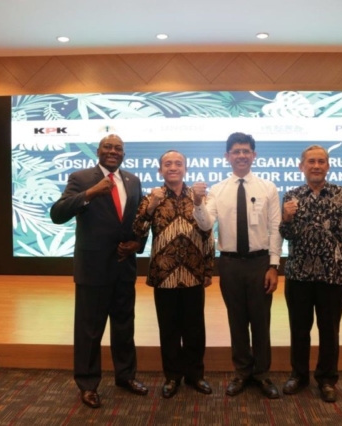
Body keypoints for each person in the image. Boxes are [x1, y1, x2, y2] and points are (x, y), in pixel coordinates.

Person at [50, 134, 148, 409]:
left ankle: (126, 376)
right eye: (108, 147)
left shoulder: (133, 181)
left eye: (118, 148)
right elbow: (57, 214)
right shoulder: (81, 179)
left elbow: (139, 220)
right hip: (93, 269)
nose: (113, 151)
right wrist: (91, 193)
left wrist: (138, 243)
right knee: (90, 331)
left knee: (124, 327)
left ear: (124, 154)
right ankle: (88, 384)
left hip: (124, 267)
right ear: (98, 151)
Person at [193, 132, 283, 399]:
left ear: (254, 155)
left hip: (260, 263)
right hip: (230, 264)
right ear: (227, 156)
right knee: (237, 320)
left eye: (246, 151)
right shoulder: (217, 190)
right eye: (236, 151)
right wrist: (197, 203)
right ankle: (242, 372)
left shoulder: (268, 188)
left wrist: (274, 266)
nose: (241, 155)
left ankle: (262, 374)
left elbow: (275, 228)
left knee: (261, 321)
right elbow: (206, 225)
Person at [279, 145, 342, 403]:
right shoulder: (292, 196)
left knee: (329, 330)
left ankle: (327, 379)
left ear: (328, 166)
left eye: (321, 161)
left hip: (332, 274)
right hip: (298, 275)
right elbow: (287, 235)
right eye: (311, 161)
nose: (316, 166)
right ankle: (298, 375)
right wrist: (286, 219)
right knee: (299, 329)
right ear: (301, 166)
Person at [133, 150, 215, 399]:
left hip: (193, 272)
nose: (173, 167)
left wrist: (208, 268)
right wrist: (152, 206)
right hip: (164, 274)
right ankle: (172, 377)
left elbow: (208, 234)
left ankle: (195, 375)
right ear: (160, 170)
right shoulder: (151, 198)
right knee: (168, 329)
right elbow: (138, 230)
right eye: (167, 164)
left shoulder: (198, 196)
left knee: (195, 329)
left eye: (178, 163)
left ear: (185, 169)